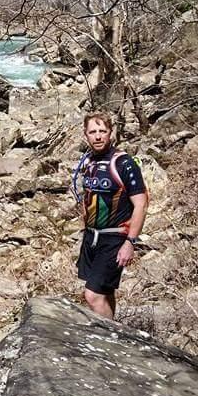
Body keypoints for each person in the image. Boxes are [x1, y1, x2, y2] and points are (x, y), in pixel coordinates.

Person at [74, 111, 148, 319]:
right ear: (85, 135)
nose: (98, 136)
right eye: (93, 132)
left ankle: (107, 340)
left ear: (111, 133)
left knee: (92, 296)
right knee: (105, 292)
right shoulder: (88, 162)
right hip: (91, 237)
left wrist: (130, 242)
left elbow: (140, 204)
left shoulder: (124, 163)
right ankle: (112, 327)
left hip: (114, 238)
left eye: (102, 131)